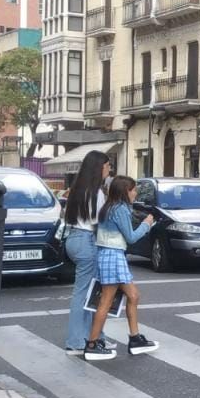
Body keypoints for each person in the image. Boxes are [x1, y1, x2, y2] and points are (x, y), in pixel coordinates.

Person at [83, 176, 159, 361]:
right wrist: (146, 224)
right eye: (133, 190)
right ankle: (92, 344)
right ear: (125, 191)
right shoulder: (120, 209)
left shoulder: (109, 207)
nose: (136, 193)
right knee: (106, 301)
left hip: (110, 255)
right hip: (113, 255)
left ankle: (134, 338)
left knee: (133, 296)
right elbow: (131, 237)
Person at [61, 150, 113, 355]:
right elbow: (99, 222)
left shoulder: (76, 189)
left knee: (88, 292)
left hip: (73, 238)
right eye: (108, 165)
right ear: (99, 167)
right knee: (85, 293)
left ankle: (95, 337)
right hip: (86, 240)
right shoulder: (96, 193)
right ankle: (76, 341)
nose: (109, 169)